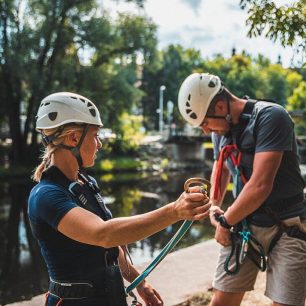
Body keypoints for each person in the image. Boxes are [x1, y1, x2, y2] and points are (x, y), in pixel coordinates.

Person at [28, 92, 211, 306]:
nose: (99, 144)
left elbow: (110, 247)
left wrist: (139, 282)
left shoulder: (84, 183)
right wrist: (174, 211)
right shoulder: (46, 196)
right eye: (95, 135)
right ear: (73, 138)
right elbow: (104, 234)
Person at [178, 73, 306, 306]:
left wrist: (226, 222)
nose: (206, 131)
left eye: (205, 122)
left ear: (220, 105)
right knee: (220, 301)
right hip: (244, 223)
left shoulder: (271, 117)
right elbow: (221, 168)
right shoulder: (221, 130)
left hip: (288, 225)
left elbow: (260, 185)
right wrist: (214, 205)